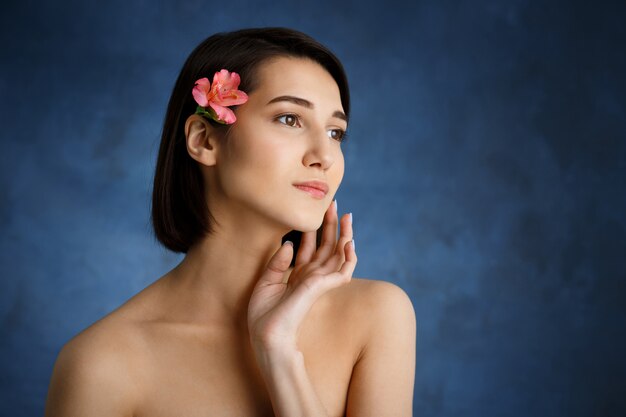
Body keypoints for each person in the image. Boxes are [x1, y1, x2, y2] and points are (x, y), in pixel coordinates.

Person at [44, 27, 416, 416]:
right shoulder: (100, 364)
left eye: (335, 131)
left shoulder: (376, 315)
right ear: (204, 139)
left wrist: (279, 350)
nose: (324, 155)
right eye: (289, 119)